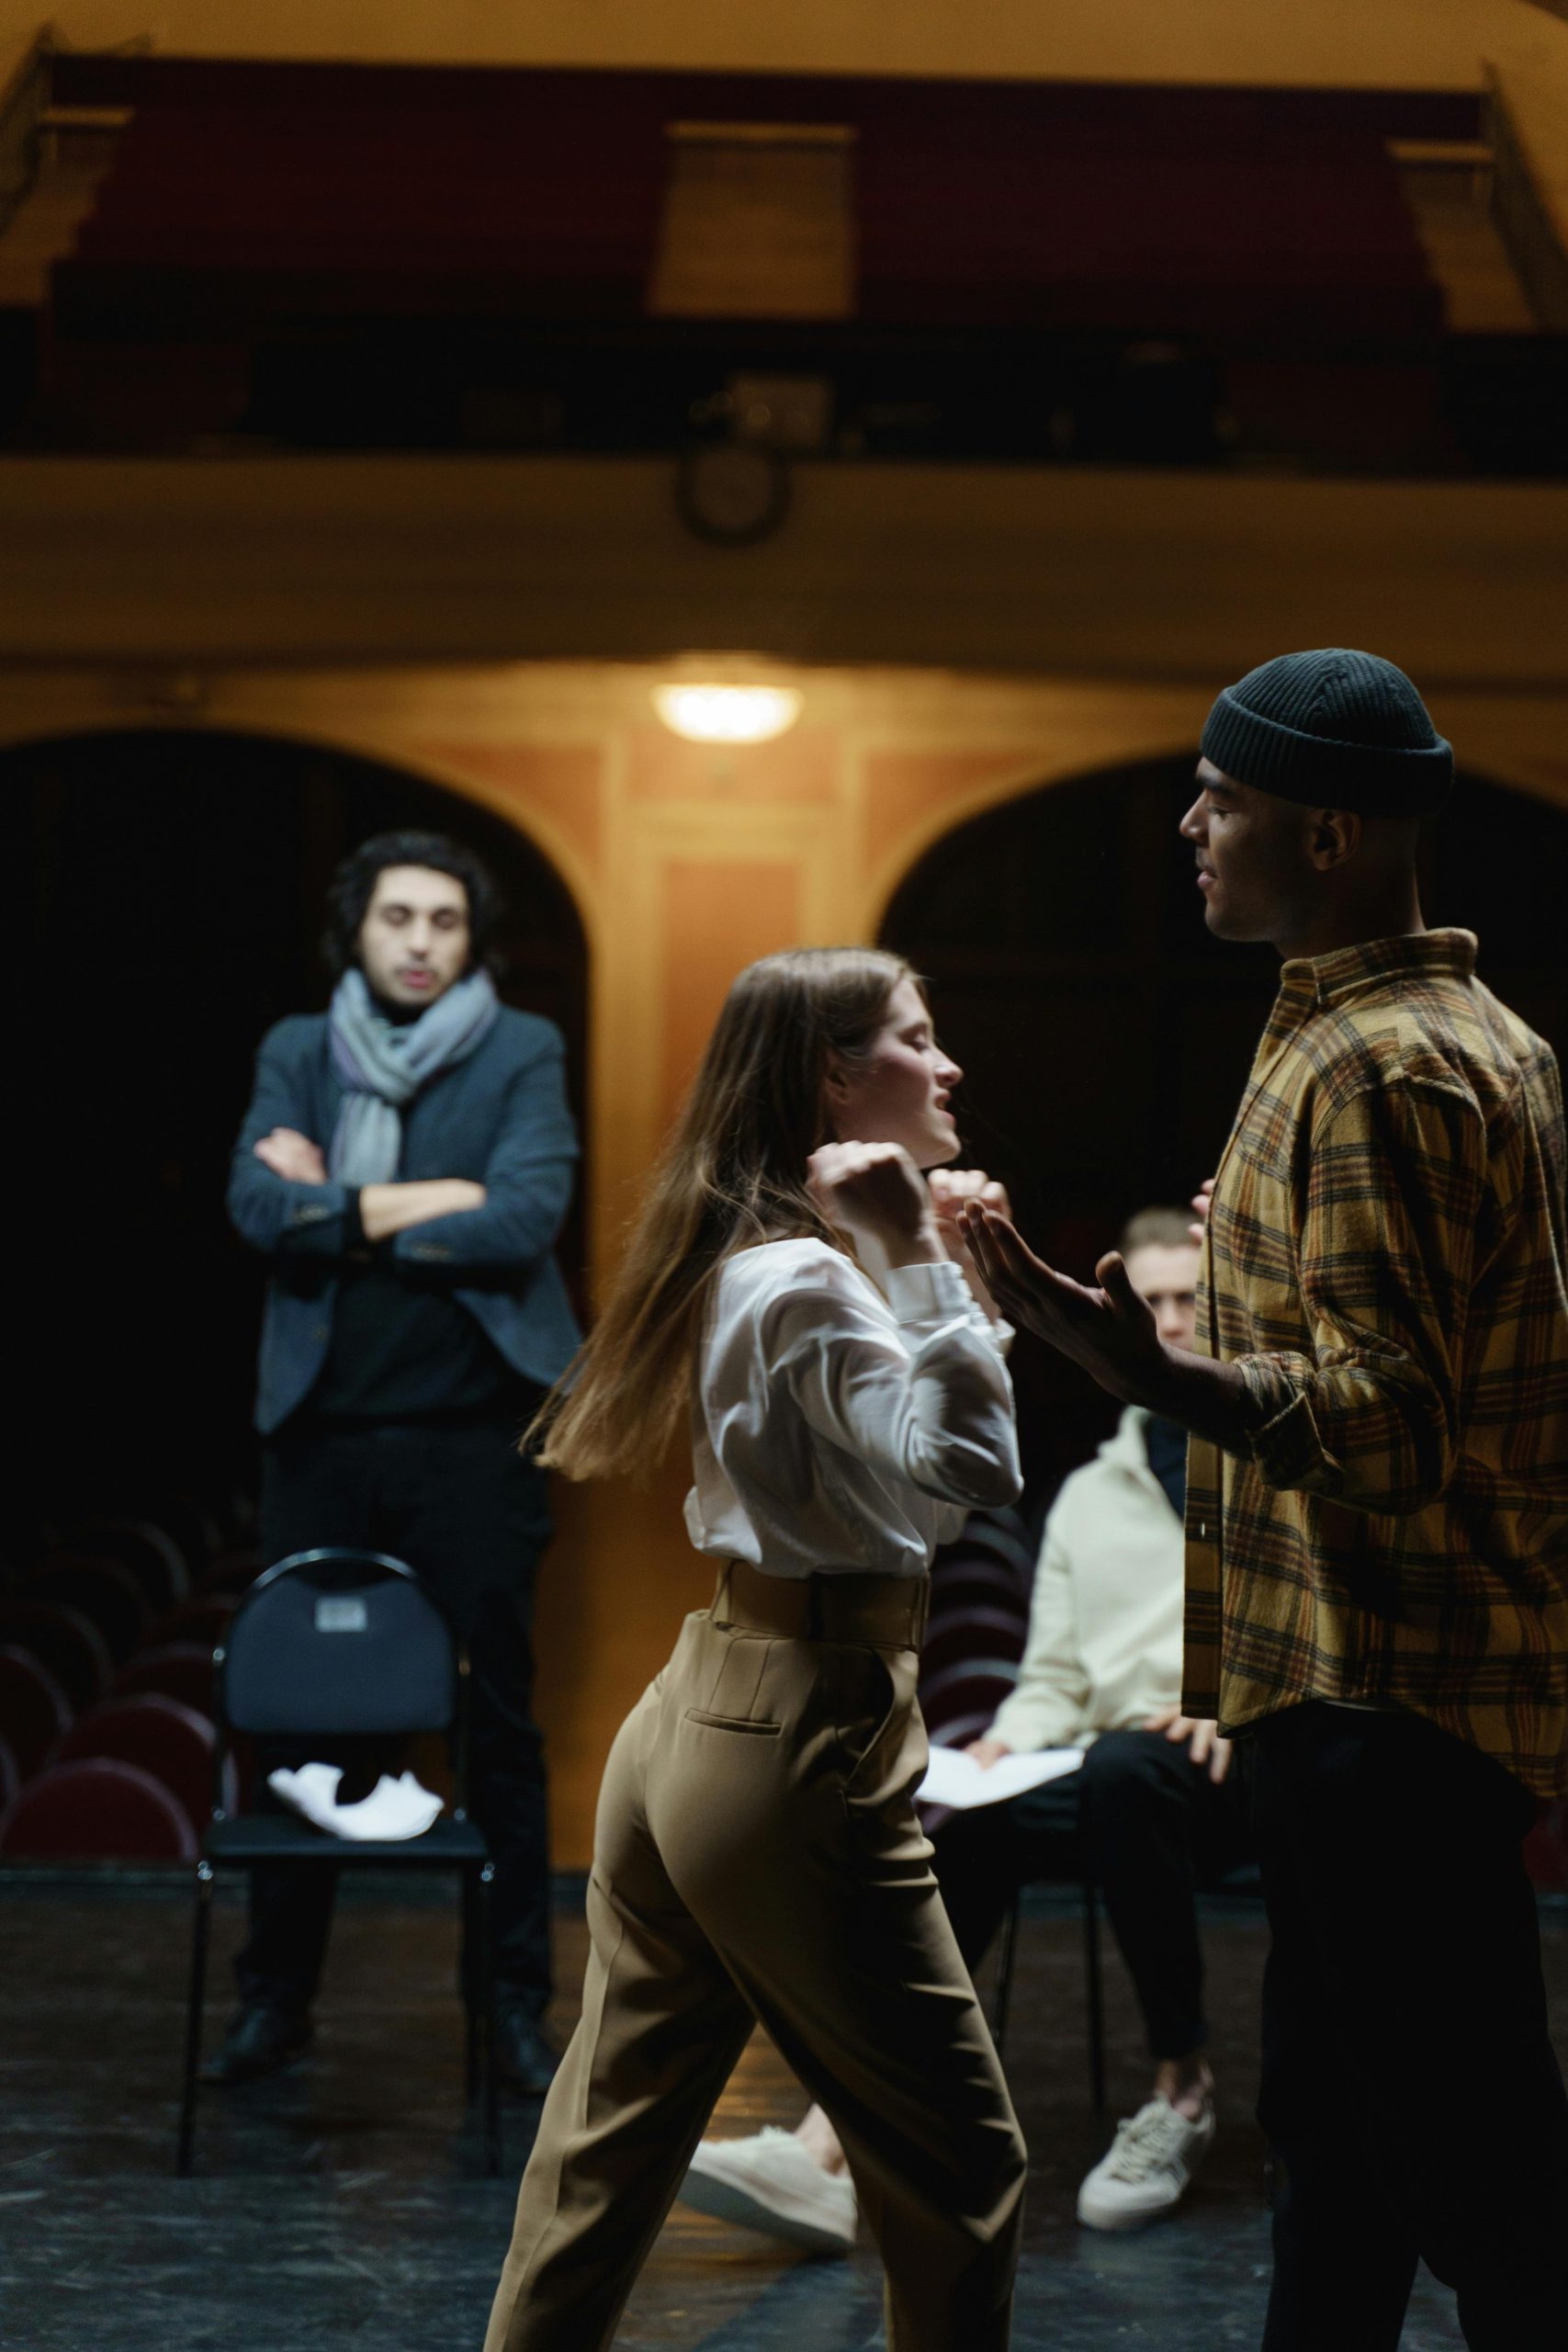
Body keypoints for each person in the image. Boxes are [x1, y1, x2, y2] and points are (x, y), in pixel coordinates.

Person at [959, 650, 1568, 2351]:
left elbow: (1390, 1424)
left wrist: (1144, 1372)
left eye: (1218, 799)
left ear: (1326, 835)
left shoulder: (1379, 1065)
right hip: (1371, 1695)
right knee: (1343, 2157)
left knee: (1480, 2176)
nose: (1185, 824)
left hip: (1388, 1701)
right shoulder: (1414, 1038)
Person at [482, 947, 1029, 2352]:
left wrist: (939, 1273)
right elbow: (973, 1473)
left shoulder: (782, 1264)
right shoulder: (808, 1278)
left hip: (713, 1707)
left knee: (601, 2158)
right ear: (833, 1077)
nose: (948, 1064)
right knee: (959, 2172)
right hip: (800, 1731)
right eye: (915, 1037)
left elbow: (914, 1495)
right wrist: (919, 1261)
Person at [680, 1208, 1249, 2250]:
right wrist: (1004, 1744)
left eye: (1188, 1299)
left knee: (1125, 1771)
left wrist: (1231, 1700)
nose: (1167, 1322)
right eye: (1148, 1300)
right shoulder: (1091, 1492)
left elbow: (1316, 1619)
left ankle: (1182, 2089)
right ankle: (834, 2142)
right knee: (970, 1818)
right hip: (1114, 1768)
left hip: (1239, 1761)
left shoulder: (1265, 1461)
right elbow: (1055, 1672)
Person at [217, 830, 581, 2096]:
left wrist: (340, 1209)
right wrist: (436, 1198)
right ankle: (275, 2002)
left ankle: (513, 2007)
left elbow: (523, 1216)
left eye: (444, 920)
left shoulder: (520, 1047)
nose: (420, 942)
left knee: (496, 1727)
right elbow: (256, 1209)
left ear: (471, 940)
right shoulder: (296, 1048)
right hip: (320, 1439)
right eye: (397, 918)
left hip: (474, 1441)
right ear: (357, 931)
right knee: (298, 1719)